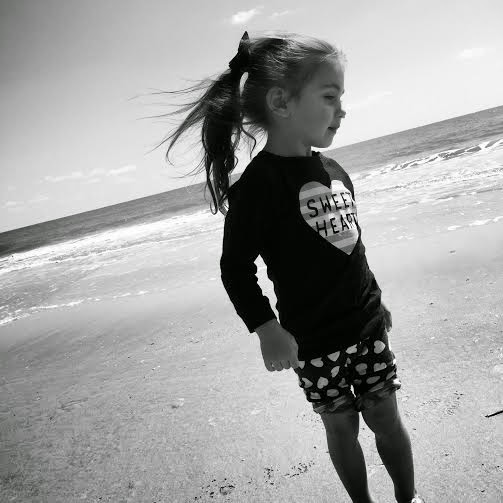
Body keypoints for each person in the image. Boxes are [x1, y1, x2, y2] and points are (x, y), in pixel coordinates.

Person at [155, 30, 424, 503]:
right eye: (330, 96)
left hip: (366, 326)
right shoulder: (256, 190)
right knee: (341, 428)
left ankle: (409, 498)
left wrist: (378, 302)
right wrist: (266, 329)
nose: (342, 110)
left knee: (386, 417)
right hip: (312, 342)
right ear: (282, 102)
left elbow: (354, 250)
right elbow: (235, 269)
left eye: (341, 97)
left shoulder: (335, 171)